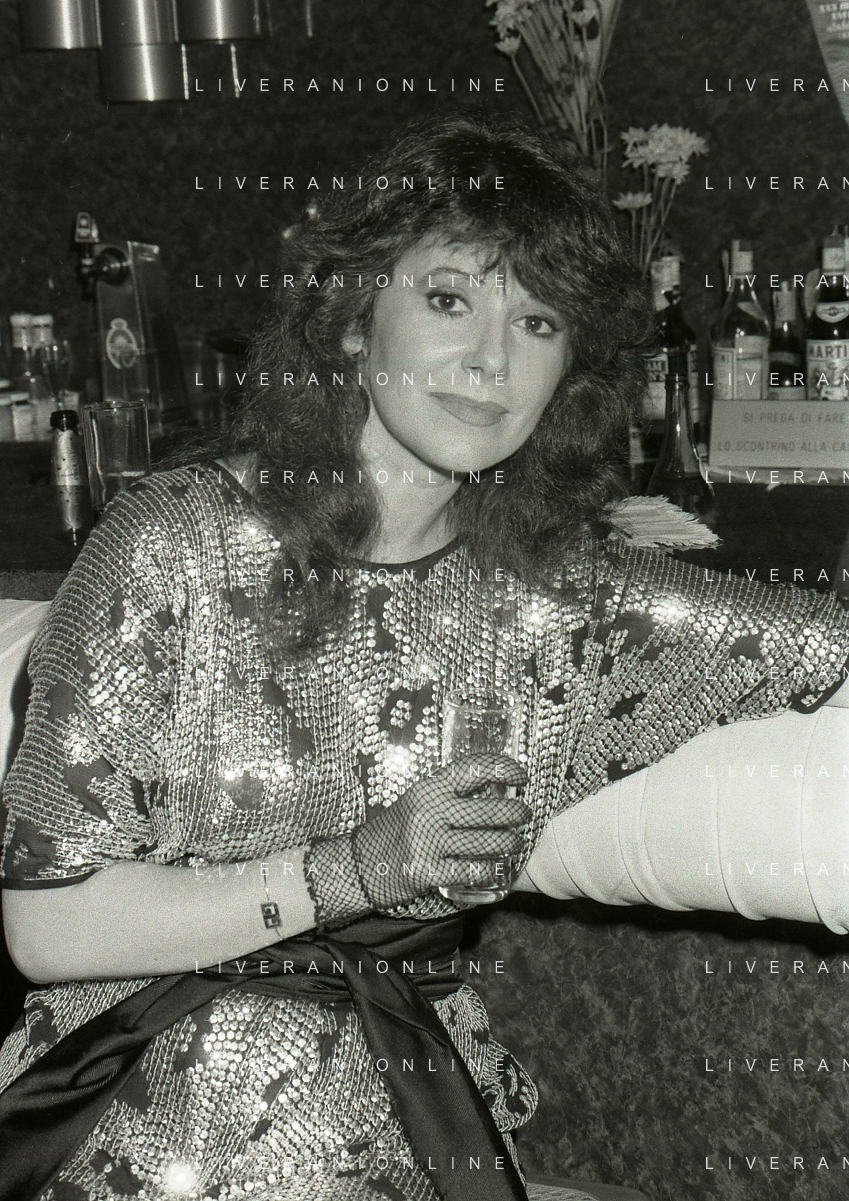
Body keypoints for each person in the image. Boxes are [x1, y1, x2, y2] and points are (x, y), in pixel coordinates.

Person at [0, 110, 847, 1201]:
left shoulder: (557, 596)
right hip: (145, 1111)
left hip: (405, 1121)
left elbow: (817, 639)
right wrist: (357, 869)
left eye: (537, 321)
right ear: (356, 320)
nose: (491, 361)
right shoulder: (171, 545)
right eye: (450, 300)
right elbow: (47, 922)